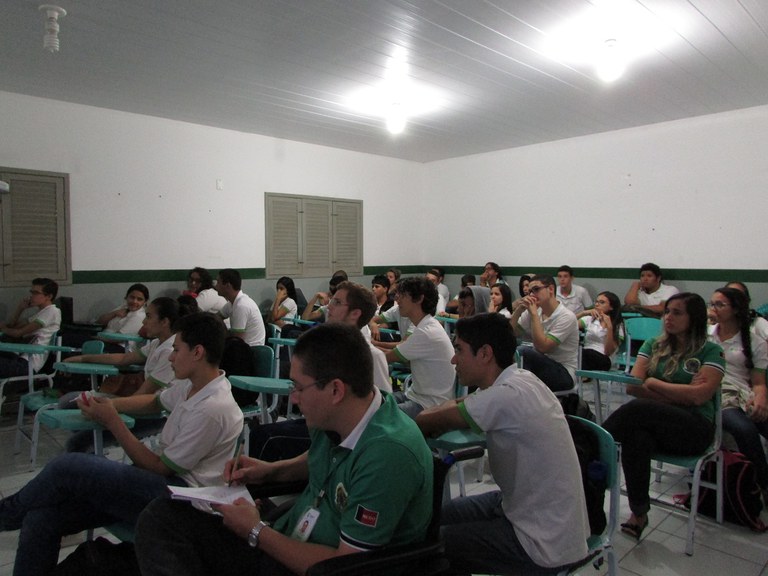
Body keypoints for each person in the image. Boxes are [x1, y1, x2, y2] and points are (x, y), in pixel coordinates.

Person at [134, 323, 433, 576]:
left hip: (314, 564)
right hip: (288, 534)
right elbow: (324, 458)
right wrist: (271, 471)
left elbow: (345, 565)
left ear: (336, 390)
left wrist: (255, 531)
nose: (293, 400)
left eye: (299, 388)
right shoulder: (346, 415)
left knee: (163, 526)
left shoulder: (388, 454)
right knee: (166, 516)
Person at [0, 312, 243, 576]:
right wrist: (108, 404)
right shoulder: (193, 386)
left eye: (176, 350)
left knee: (67, 467)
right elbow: (155, 401)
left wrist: (113, 421)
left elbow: (159, 467)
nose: (171, 357)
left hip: (182, 498)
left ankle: (5, 514)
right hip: (159, 483)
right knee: (41, 519)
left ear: (197, 352)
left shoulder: (213, 408)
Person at [416, 313, 590, 575]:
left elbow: (425, 420)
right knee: (439, 515)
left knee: (433, 544)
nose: (453, 359)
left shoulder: (505, 395)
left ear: (485, 353)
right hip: (527, 509)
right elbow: (457, 406)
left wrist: (438, 416)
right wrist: (447, 412)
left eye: (459, 350)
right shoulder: (521, 379)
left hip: (541, 541)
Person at [602, 293, 725, 540]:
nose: (668, 317)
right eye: (667, 311)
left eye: (677, 313)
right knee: (636, 438)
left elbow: (699, 397)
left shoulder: (711, 351)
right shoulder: (653, 345)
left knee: (638, 409)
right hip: (658, 423)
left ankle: (593, 448)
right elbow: (633, 386)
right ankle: (639, 513)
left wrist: (654, 383)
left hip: (694, 428)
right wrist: (681, 393)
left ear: (694, 318)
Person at [62, 296, 195, 452]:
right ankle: (94, 451)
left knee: (78, 442)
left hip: (156, 414)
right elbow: (124, 358)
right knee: (70, 402)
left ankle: (93, 451)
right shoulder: (157, 343)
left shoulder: (169, 350)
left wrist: (112, 408)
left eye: (148, 316)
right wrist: (84, 358)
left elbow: (145, 392)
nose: (143, 322)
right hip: (142, 403)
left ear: (164, 321)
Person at [708, 287, 768, 501]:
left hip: (743, 393)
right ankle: (764, 484)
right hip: (716, 395)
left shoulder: (754, 341)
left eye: (719, 304)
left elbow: (759, 382)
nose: (713, 308)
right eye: (712, 304)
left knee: (762, 418)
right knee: (744, 429)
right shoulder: (706, 336)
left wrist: (761, 398)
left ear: (735, 309)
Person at [376, 277, 455, 418]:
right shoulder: (426, 325)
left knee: (377, 415)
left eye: (402, 295)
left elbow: (388, 357)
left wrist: (367, 348)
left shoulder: (426, 332)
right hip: (414, 394)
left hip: (430, 404)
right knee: (374, 404)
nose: (397, 299)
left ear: (419, 299)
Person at [510, 274, 579, 393]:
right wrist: (519, 310)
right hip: (541, 365)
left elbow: (542, 347)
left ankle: (518, 392)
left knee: (523, 352)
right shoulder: (535, 310)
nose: (532, 295)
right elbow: (511, 332)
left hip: (564, 373)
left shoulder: (566, 316)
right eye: (530, 292)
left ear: (551, 289)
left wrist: (534, 315)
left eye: (536, 289)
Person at [0, 278, 61, 378]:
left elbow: (18, 333)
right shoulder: (38, 314)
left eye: (36, 293)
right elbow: (11, 326)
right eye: (32, 292)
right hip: (19, 357)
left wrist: (3, 329)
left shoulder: (52, 312)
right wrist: (20, 308)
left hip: (28, 364)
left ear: (49, 296)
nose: (32, 296)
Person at [216, 268, 266, 346]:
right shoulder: (232, 303)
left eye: (218, 282)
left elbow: (237, 341)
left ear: (228, 286)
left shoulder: (241, 305)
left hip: (252, 349)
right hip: (243, 347)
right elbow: (216, 318)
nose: (216, 286)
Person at [577, 291, 625, 371]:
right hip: (585, 354)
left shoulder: (618, 325)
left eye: (602, 302)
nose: (597, 304)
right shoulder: (589, 319)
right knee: (575, 353)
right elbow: (566, 324)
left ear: (611, 307)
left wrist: (609, 327)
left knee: (584, 354)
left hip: (603, 358)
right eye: (596, 302)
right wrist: (583, 313)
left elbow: (608, 352)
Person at [96, 283, 149, 352]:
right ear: (126, 297)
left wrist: (96, 338)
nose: (134, 301)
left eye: (139, 299)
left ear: (145, 302)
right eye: (132, 297)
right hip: (104, 341)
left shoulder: (139, 316)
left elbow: (118, 339)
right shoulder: (124, 307)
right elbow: (99, 322)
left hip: (121, 347)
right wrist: (114, 313)